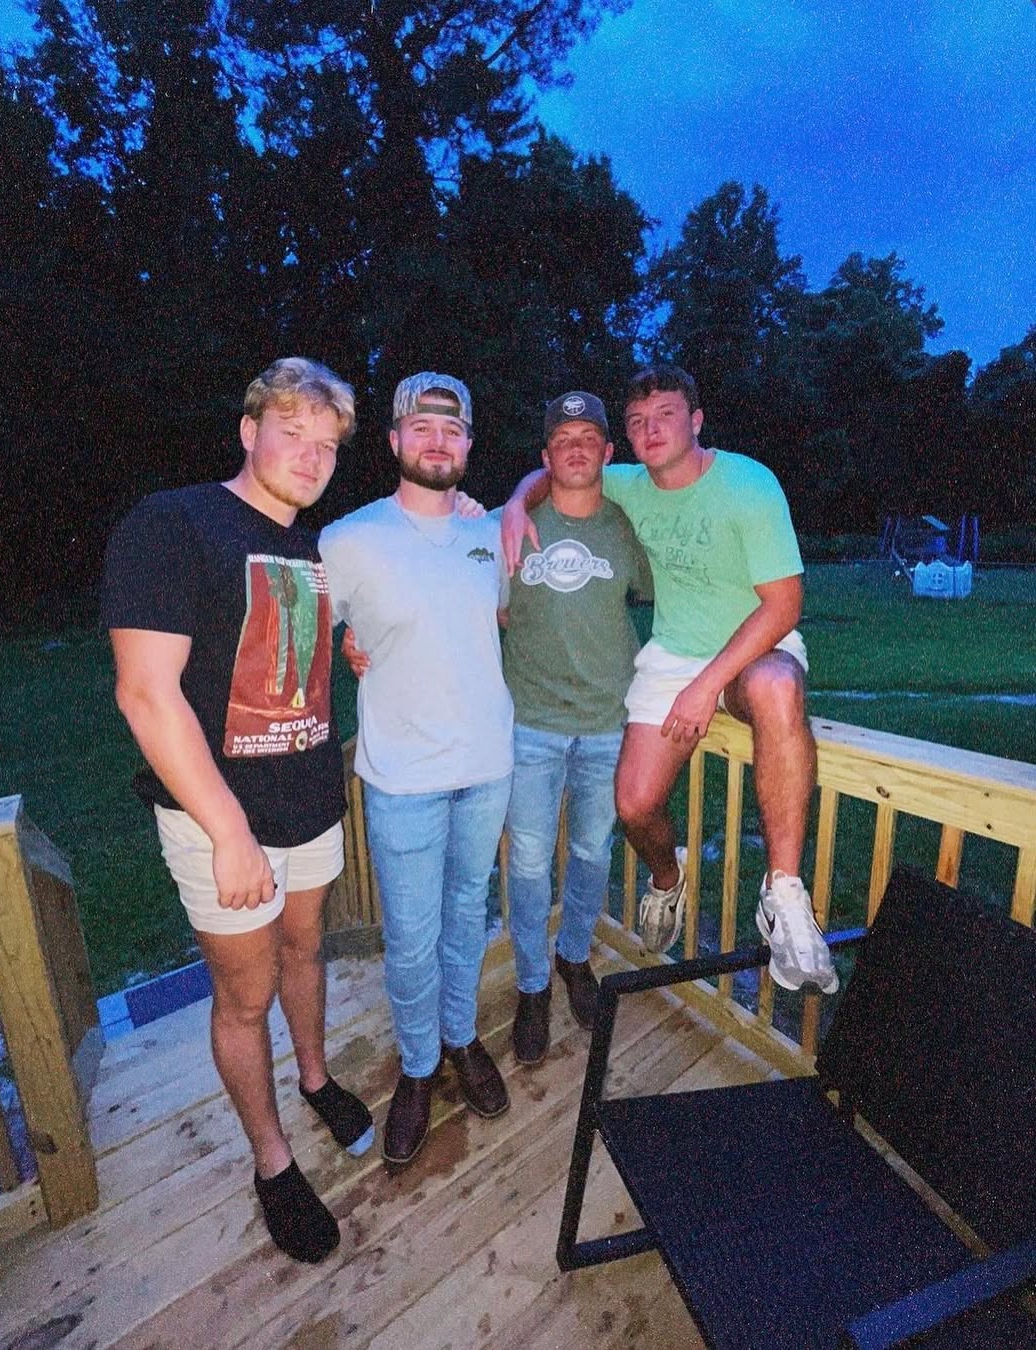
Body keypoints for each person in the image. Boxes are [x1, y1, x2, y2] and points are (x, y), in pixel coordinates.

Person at [101, 357, 374, 1266]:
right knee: (245, 997)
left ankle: (316, 1077)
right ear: (249, 431)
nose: (311, 455)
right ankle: (272, 1160)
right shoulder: (173, 524)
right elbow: (146, 694)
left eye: (327, 443)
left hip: (311, 803)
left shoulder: (314, 548)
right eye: (292, 433)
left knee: (307, 952)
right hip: (221, 825)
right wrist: (227, 832)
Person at [502, 366, 837, 995]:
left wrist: (707, 686)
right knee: (632, 805)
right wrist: (519, 501)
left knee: (776, 688)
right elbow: (557, 469)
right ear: (625, 440)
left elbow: (784, 605)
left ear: (696, 420)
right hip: (673, 655)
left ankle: (784, 896)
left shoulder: (749, 484)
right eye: (637, 422)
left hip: (755, 648)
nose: (651, 430)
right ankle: (667, 877)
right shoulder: (628, 483)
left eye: (665, 415)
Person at [319, 373, 514, 1167]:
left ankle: (461, 1038)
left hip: (488, 765)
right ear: (395, 440)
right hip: (401, 777)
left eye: (452, 429)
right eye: (422, 427)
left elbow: (494, 615)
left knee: (468, 914)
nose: (438, 441)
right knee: (409, 937)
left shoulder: (489, 532)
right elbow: (309, 633)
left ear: (468, 445)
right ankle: (418, 1065)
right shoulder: (349, 539)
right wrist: (346, 642)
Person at [500, 391, 652, 1064]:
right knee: (530, 863)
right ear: (546, 455)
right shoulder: (513, 523)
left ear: (608, 452)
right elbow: (481, 604)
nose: (576, 447)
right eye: (563, 438)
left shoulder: (628, 526)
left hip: (607, 724)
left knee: (592, 852)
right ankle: (532, 984)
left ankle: (574, 954)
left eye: (589, 436)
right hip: (529, 724)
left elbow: (680, 590)